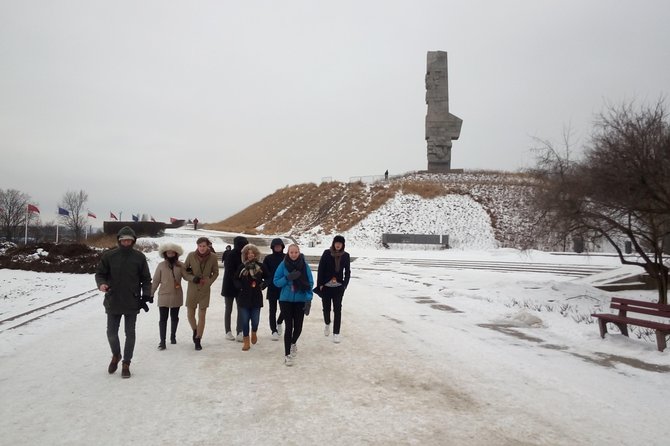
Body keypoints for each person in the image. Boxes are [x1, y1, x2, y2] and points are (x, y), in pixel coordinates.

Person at [95, 226, 152, 379]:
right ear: (119, 241)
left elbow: (146, 279)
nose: (126, 242)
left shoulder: (139, 257)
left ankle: (126, 363)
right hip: (113, 300)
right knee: (111, 333)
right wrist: (101, 284)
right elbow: (100, 273)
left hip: (132, 301)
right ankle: (116, 355)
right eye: (123, 240)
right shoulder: (109, 256)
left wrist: (146, 295)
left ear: (133, 241)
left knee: (130, 334)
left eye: (129, 240)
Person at [273, 244, 313, 366]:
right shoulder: (283, 264)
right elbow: (276, 282)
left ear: (299, 252)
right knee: (289, 326)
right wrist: (288, 277)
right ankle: (287, 355)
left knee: (298, 327)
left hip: (300, 300)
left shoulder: (304, 265)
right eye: (291, 252)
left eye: (296, 252)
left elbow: (310, 283)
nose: (294, 254)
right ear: (288, 253)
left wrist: (308, 299)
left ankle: (293, 342)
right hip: (285, 300)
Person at [182, 237, 219, 350]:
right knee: (190, 314)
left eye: (204, 246)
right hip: (193, 287)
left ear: (208, 246)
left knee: (202, 315)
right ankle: (195, 329)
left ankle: (198, 338)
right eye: (200, 246)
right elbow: (184, 270)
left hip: (204, 289)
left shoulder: (213, 257)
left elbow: (216, 272)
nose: (202, 248)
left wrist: (209, 282)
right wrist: (192, 278)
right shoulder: (191, 255)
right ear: (197, 246)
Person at [234, 244, 270, 351]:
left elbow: (268, 277)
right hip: (244, 297)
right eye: (248, 253)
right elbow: (235, 279)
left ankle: (254, 332)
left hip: (256, 297)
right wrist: (239, 286)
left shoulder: (261, 266)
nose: (250, 255)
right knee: (245, 321)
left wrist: (263, 284)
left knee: (255, 320)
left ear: (256, 254)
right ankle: (246, 341)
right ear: (245, 255)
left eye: (252, 253)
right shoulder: (242, 267)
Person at [316, 235, 351, 343]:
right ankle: (327, 323)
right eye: (336, 242)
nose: (338, 245)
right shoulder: (327, 253)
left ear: (343, 245)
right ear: (333, 243)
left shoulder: (346, 256)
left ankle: (336, 333)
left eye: (340, 243)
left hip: (338, 288)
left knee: (337, 310)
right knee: (326, 309)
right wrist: (320, 284)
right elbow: (321, 269)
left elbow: (347, 272)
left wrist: (344, 285)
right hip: (326, 286)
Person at [151, 243, 185, 350]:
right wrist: (151, 294)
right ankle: (162, 341)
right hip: (163, 296)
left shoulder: (181, 265)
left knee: (174, 317)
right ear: (165, 254)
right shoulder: (160, 265)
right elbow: (156, 281)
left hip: (176, 295)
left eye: (172, 252)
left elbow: (188, 276)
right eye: (168, 252)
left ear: (176, 253)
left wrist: (194, 277)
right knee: (163, 319)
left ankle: (173, 336)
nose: (170, 254)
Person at [221, 236, 248, 342]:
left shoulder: (244, 255)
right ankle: (228, 331)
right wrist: (237, 280)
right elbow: (230, 271)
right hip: (229, 285)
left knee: (241, 309)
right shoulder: (230, 254)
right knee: (229, 309)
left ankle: (240, 331)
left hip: (240, 286)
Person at [262, 238, 286, 340]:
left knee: (285, 309)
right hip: (272, 287)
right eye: (275, 246)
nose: (277, 247)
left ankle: (279, 322)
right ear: (272, 247)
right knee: (273, 310)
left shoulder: (286, 257)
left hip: (283, 286)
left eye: (279, 246)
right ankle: (273, 330)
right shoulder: (268, 258)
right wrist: (265, 282)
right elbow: (264, 273)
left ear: (282, 247)